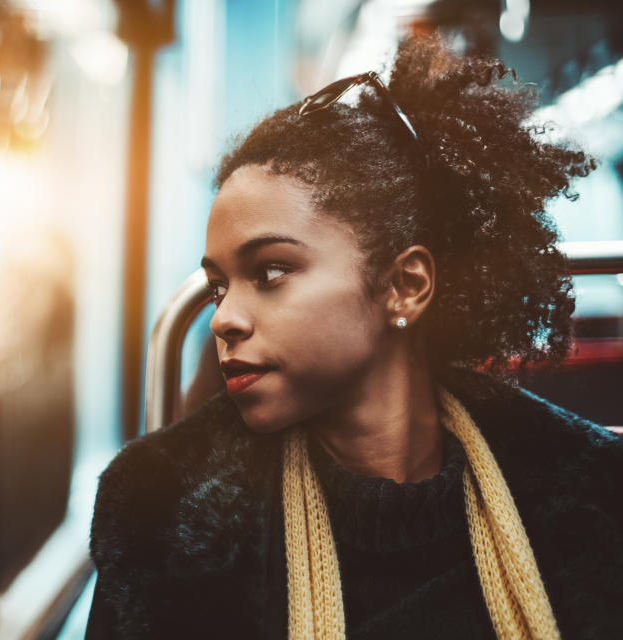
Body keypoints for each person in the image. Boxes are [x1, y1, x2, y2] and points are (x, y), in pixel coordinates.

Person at [86, 35, 623, 639]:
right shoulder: (161, 514)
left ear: (405, 285)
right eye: (217, 286)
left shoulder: (589, 495)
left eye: (271, 272)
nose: (223, 318)